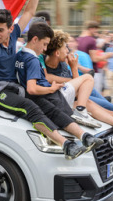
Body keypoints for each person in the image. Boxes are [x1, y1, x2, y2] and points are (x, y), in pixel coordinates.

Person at [0, 0, 90, 159]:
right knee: (30, 107)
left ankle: (84, 136)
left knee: (47, 105)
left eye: (0, 30)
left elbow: (29, 12)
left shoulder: (13, 36)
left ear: (11, 29)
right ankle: (65, 144)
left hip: (15, 87)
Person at [15, 23, 104, 152]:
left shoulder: (19, 55)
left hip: (38, 96)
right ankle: (83, 132)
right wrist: (51, 89)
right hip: (45, 94)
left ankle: (85, 136)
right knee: (87, 80)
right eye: (44, 44)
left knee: (61, 112)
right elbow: (32, 88)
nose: (45, 49)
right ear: (35, 40)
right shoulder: (33, 60)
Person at [77, 21, 113, 94]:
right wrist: (108, 55)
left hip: (81, 71)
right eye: (96, 29)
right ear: (91, 28)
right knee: (96, 94)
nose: (96, 31)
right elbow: (94, 59)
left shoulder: (78, 39)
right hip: (93, 71)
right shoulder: (91, 40)